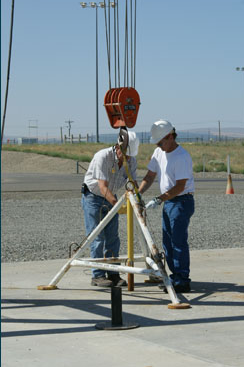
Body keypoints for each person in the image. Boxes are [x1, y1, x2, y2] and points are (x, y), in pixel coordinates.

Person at [138, 120, 195, 293]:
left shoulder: (181, 156)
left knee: (177, 241)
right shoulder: (158, 152)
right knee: (168, 242)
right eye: (157, 143)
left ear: (170, 136)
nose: (159, 146)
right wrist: (138, 192)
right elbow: (150, 175)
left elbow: (180, 186)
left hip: (181, 201)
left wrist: (159, 199)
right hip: (170, 201)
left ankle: (182, 279)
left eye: (161, 142)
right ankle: (175, 276)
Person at [81, 131, 140, 287]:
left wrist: (137, 201)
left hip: (112, 197)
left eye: (130, 156)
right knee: (97, 237)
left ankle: (113, 273)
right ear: (119, 147)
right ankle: (98, 275)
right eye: (125, 155)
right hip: (94, 197)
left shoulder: (132, 161)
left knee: (113, 238)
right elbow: (102, 187)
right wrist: (118, 205)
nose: (127, 159)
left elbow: (133, 184)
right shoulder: (103, 157)